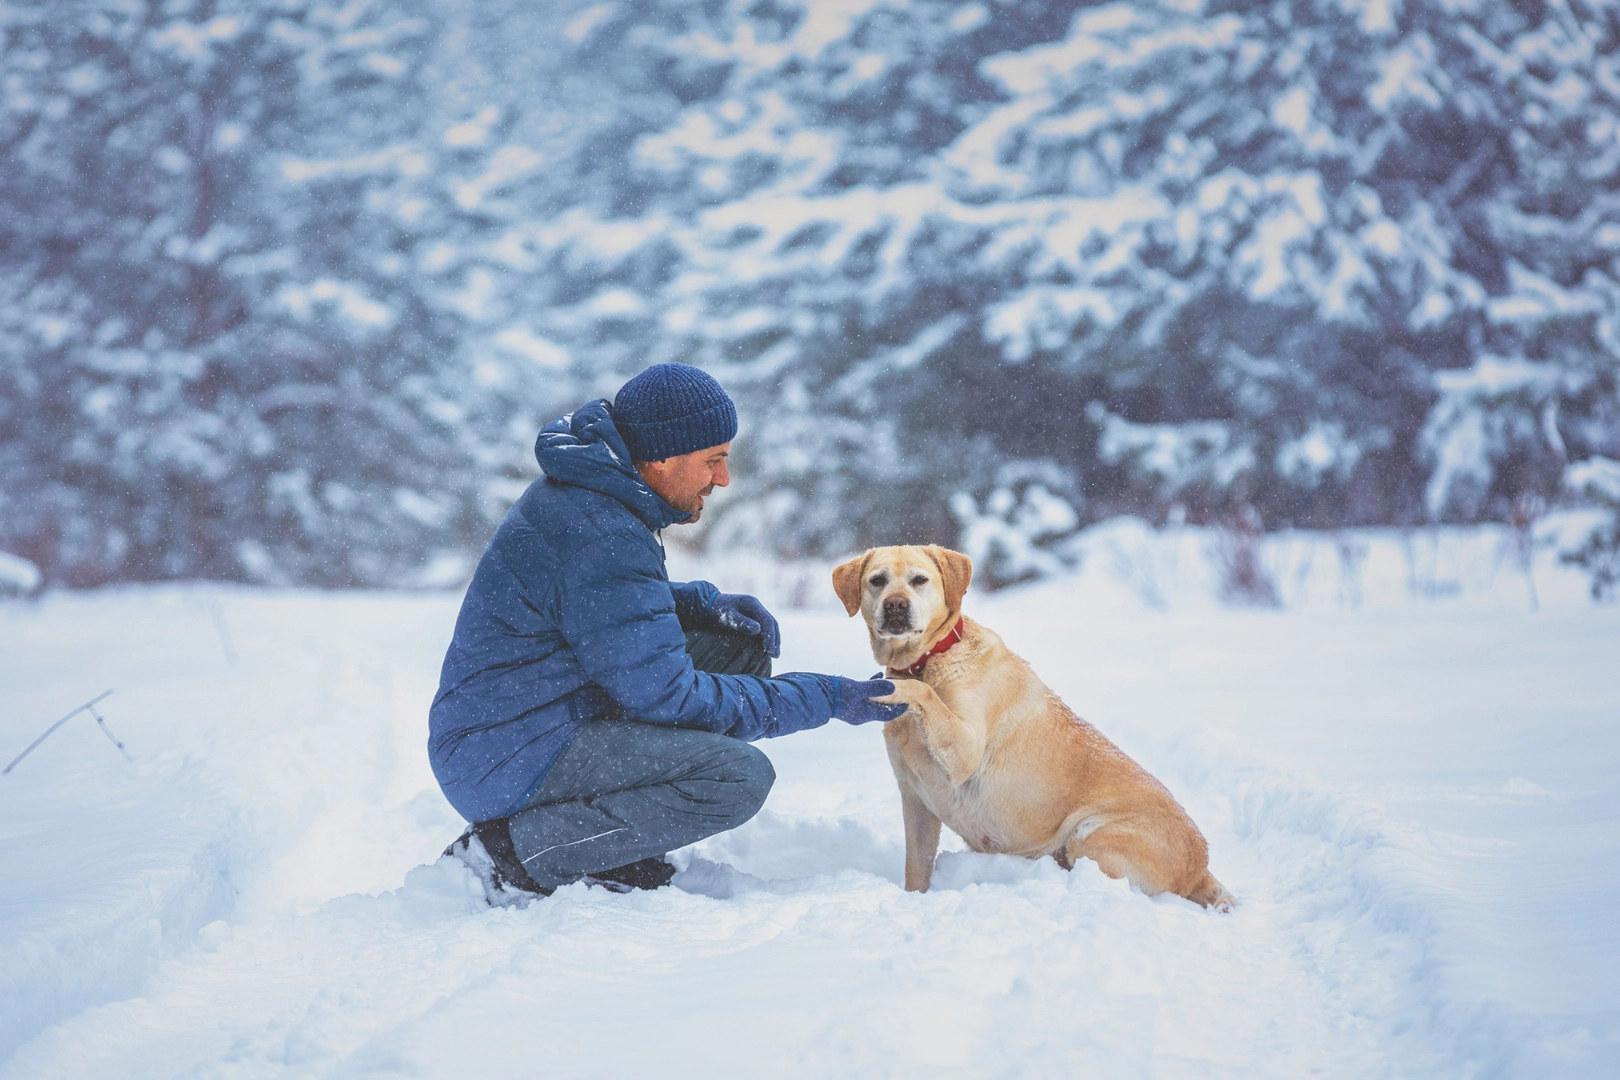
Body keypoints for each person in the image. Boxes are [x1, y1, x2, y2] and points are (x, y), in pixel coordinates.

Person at [429, 362, 903, 900]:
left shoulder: (595, 495)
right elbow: (672, 697)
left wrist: (703, 605)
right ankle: (515, 856)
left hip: (521, 718)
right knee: (735, 779)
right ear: (661, 458)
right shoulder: (600, 529)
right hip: (504, 756)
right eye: (713, 461)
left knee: (735, 653)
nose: (723, 480)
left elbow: (598, 604)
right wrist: (829, 696)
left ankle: (611, 841)